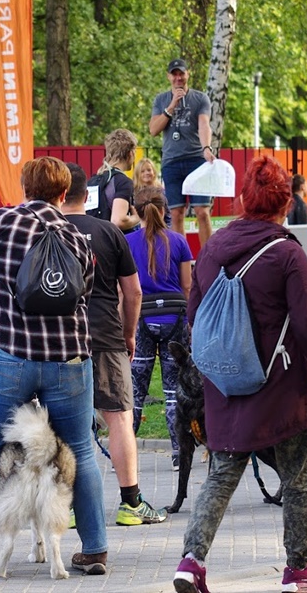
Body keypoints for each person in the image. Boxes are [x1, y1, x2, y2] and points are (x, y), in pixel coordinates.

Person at [173, 155, 307, 593]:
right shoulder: (287, 252)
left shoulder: (213, 248)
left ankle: (191, 562)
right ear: (284, 204)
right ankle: (297, 567)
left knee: (223, 472)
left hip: (227, 382)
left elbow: (195, 314)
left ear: (246, 200)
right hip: (281, 384)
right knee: (296, 476)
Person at [0, 156, 108, 578]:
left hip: (9, 355)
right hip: (69, 359)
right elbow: (84, 287)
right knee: (81, 450)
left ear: (24, 187)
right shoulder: (76, 235)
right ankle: (95, 550)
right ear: (64, 194)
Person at [62, 163, 166, 525]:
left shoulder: (46, 231)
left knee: (63, 422)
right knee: (120, 418)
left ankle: (69, 506)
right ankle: (131, 503)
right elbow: (133, 292)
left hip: (57, 339)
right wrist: (129, 333)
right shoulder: (108, 232)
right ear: (85, 195)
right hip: (105, 333)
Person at [127, 185, 193, 470]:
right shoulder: (179, 242)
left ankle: (125, 453)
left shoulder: (128, 243)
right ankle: (179, 453)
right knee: (172, 390)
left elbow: (125, 290)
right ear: (165, 210)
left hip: (142, 318)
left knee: (135, 390)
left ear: (135, 211)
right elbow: (188, 285)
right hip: (175, 318)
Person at [148, 58, 215, 246]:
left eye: (181, 73)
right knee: (176, 213)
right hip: (172, 161)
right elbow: (153, 130)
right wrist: (171, 107)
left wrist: (206, 149)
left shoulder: (200, 98)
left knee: (202, 211)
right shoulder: (161, 100)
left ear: (187, 75)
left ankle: (206, 260)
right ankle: (181, 261)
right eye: (174, 74)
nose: (178, 77)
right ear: (169, 76)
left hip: (196, 160)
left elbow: (204, 124)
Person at [91, 129, 140, 233]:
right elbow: (118, 221)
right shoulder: (123, 182)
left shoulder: (93, 181)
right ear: (130, 153)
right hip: (112, 243)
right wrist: (136, 218)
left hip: (91, 241)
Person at [134, 157, 172, 227]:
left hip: (160, 228)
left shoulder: (161, 192)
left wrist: (167, 229)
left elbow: (168, 214)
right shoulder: (135, 193)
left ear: (154, 172)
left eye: (149, 170)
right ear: (137, 175)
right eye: (142, 171)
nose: (147, 173)